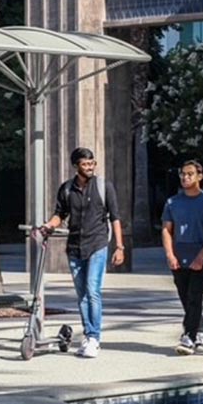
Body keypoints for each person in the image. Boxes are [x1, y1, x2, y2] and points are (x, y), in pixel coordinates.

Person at [40, 147, 124, 359]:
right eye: (85, 164)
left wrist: (120, 247)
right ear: (76, 166)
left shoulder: (104, 186)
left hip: (97, 244)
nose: (89, 167)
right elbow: (60, 214)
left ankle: (94, 338)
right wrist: (49, 225)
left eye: (92, 163)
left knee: (93, 290)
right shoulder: (67, 189)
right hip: (75, 246)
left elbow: (115, 217)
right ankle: (88, 335)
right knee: (82, 295)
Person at [162, 160, 203, 355]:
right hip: (179, 257)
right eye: (182, 174)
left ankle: (189, 336)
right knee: (185, 298)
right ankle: (201, 328)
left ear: (199, 176)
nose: (185, 178)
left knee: (195, 297)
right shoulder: (172, 203)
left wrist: (201, 257)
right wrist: (170, 254)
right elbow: (167, 230)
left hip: (200, 258)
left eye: (189, 174)